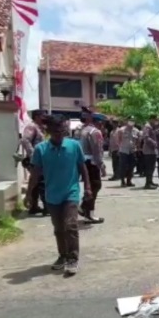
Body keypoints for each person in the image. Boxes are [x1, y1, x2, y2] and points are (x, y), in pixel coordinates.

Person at [25, 114, 91, 276]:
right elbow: (35, 174)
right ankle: (63, 255)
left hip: (71, 192)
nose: (59, 134)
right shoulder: (41, 149)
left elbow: (82, 167)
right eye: (55, 131)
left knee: (70, 225)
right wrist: (29, 195)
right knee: (59, 229)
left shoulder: (74, 146)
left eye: (62, 130)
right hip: (52, 195)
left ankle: (73, 258)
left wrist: (88, 188)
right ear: (48, 131)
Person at [78, 109, 106, 223]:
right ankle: (88, 212)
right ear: (99, 122)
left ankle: (84, 208)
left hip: (84, 161)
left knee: (90, 186)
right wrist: (101, 166)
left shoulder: (84, 130)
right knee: (95, 186)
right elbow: (97, 151)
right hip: (92, 162)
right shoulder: (96, 132)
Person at [20, 110, 47, 216]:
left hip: (41, 159)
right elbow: (25, 140)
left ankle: (34, 206)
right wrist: (32, 155)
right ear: (37, 116)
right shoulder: (32, 126)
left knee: (36, 184)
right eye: (43, 115)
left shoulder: (40, 127)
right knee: (42, 183)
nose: (45, 117)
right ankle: (46, 207)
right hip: (36, 160)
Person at [117, 117, 140, 187]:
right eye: (130, 120)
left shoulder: (136, 131)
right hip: (124, 151)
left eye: (133, 121)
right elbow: (118, 140)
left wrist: (137, 148)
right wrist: (119, 149)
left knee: (131, 166)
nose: (131, 122)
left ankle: (129, 181)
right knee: (123, 166)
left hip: (132, 151)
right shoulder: (121, 130)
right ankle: (122, 181)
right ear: (127, 121)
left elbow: (138, 141)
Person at [141, 115, 159, 189]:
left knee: (152, 167)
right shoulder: (147, 127)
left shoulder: (152, 127)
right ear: (151, 119)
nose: (156, 121)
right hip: (148, 150)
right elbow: (146, 137)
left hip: (152, 150)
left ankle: (150, 181)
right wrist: (154, 143)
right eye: (155, 120)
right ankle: (147, 183)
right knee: (149, 167)